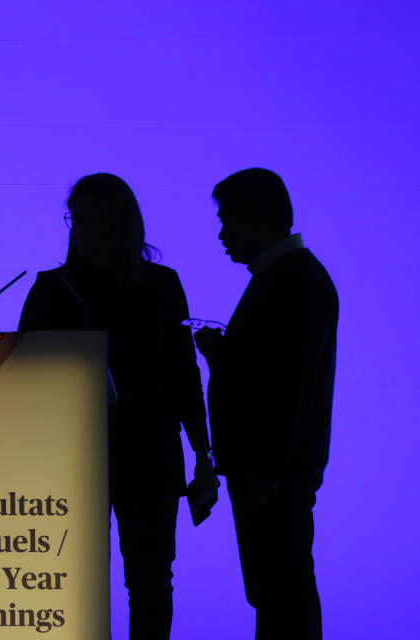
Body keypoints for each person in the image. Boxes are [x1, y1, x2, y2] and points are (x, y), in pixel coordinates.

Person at [19, 173, 216, 640]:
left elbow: (185, 374)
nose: (80, 229)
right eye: (75, 219)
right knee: (74, 582)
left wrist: (205, 453)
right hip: (76, 457)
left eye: (91, 218)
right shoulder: (52, 289)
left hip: (148, 455)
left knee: (148, 582)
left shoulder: (162, 285)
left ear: (119, 222)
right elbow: (21, 376)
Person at [194, 168, 338, 639]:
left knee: (282, 593)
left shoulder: (291, 282)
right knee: (279, 590)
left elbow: (286, 390)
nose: (222, 235)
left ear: (254, 218)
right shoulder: (295, 278)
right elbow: (278, 376)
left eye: (227, 221)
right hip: (272, 475)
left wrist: (264, 471)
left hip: (270, 478)